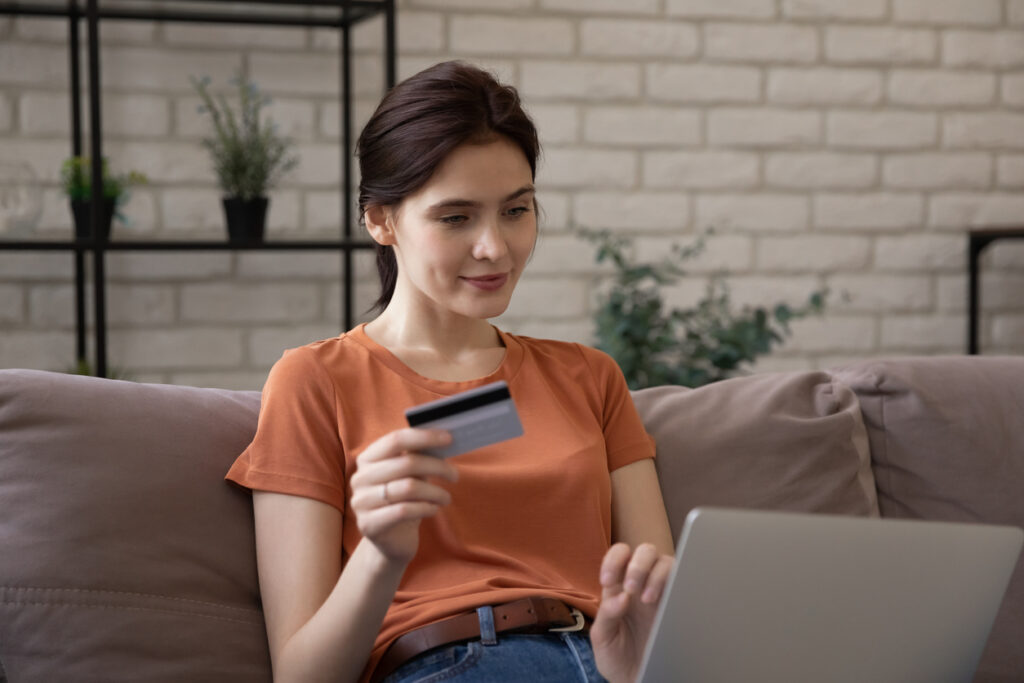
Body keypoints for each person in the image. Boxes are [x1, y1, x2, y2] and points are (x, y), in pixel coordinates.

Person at [226, 60, 675, 683]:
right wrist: (382, 555)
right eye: (456, 217)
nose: (495, 248)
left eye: (516, 210)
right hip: (455, 662)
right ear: (381, 220)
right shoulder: (316, 381)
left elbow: (664, 602)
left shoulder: (590, 377)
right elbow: (302, 676)